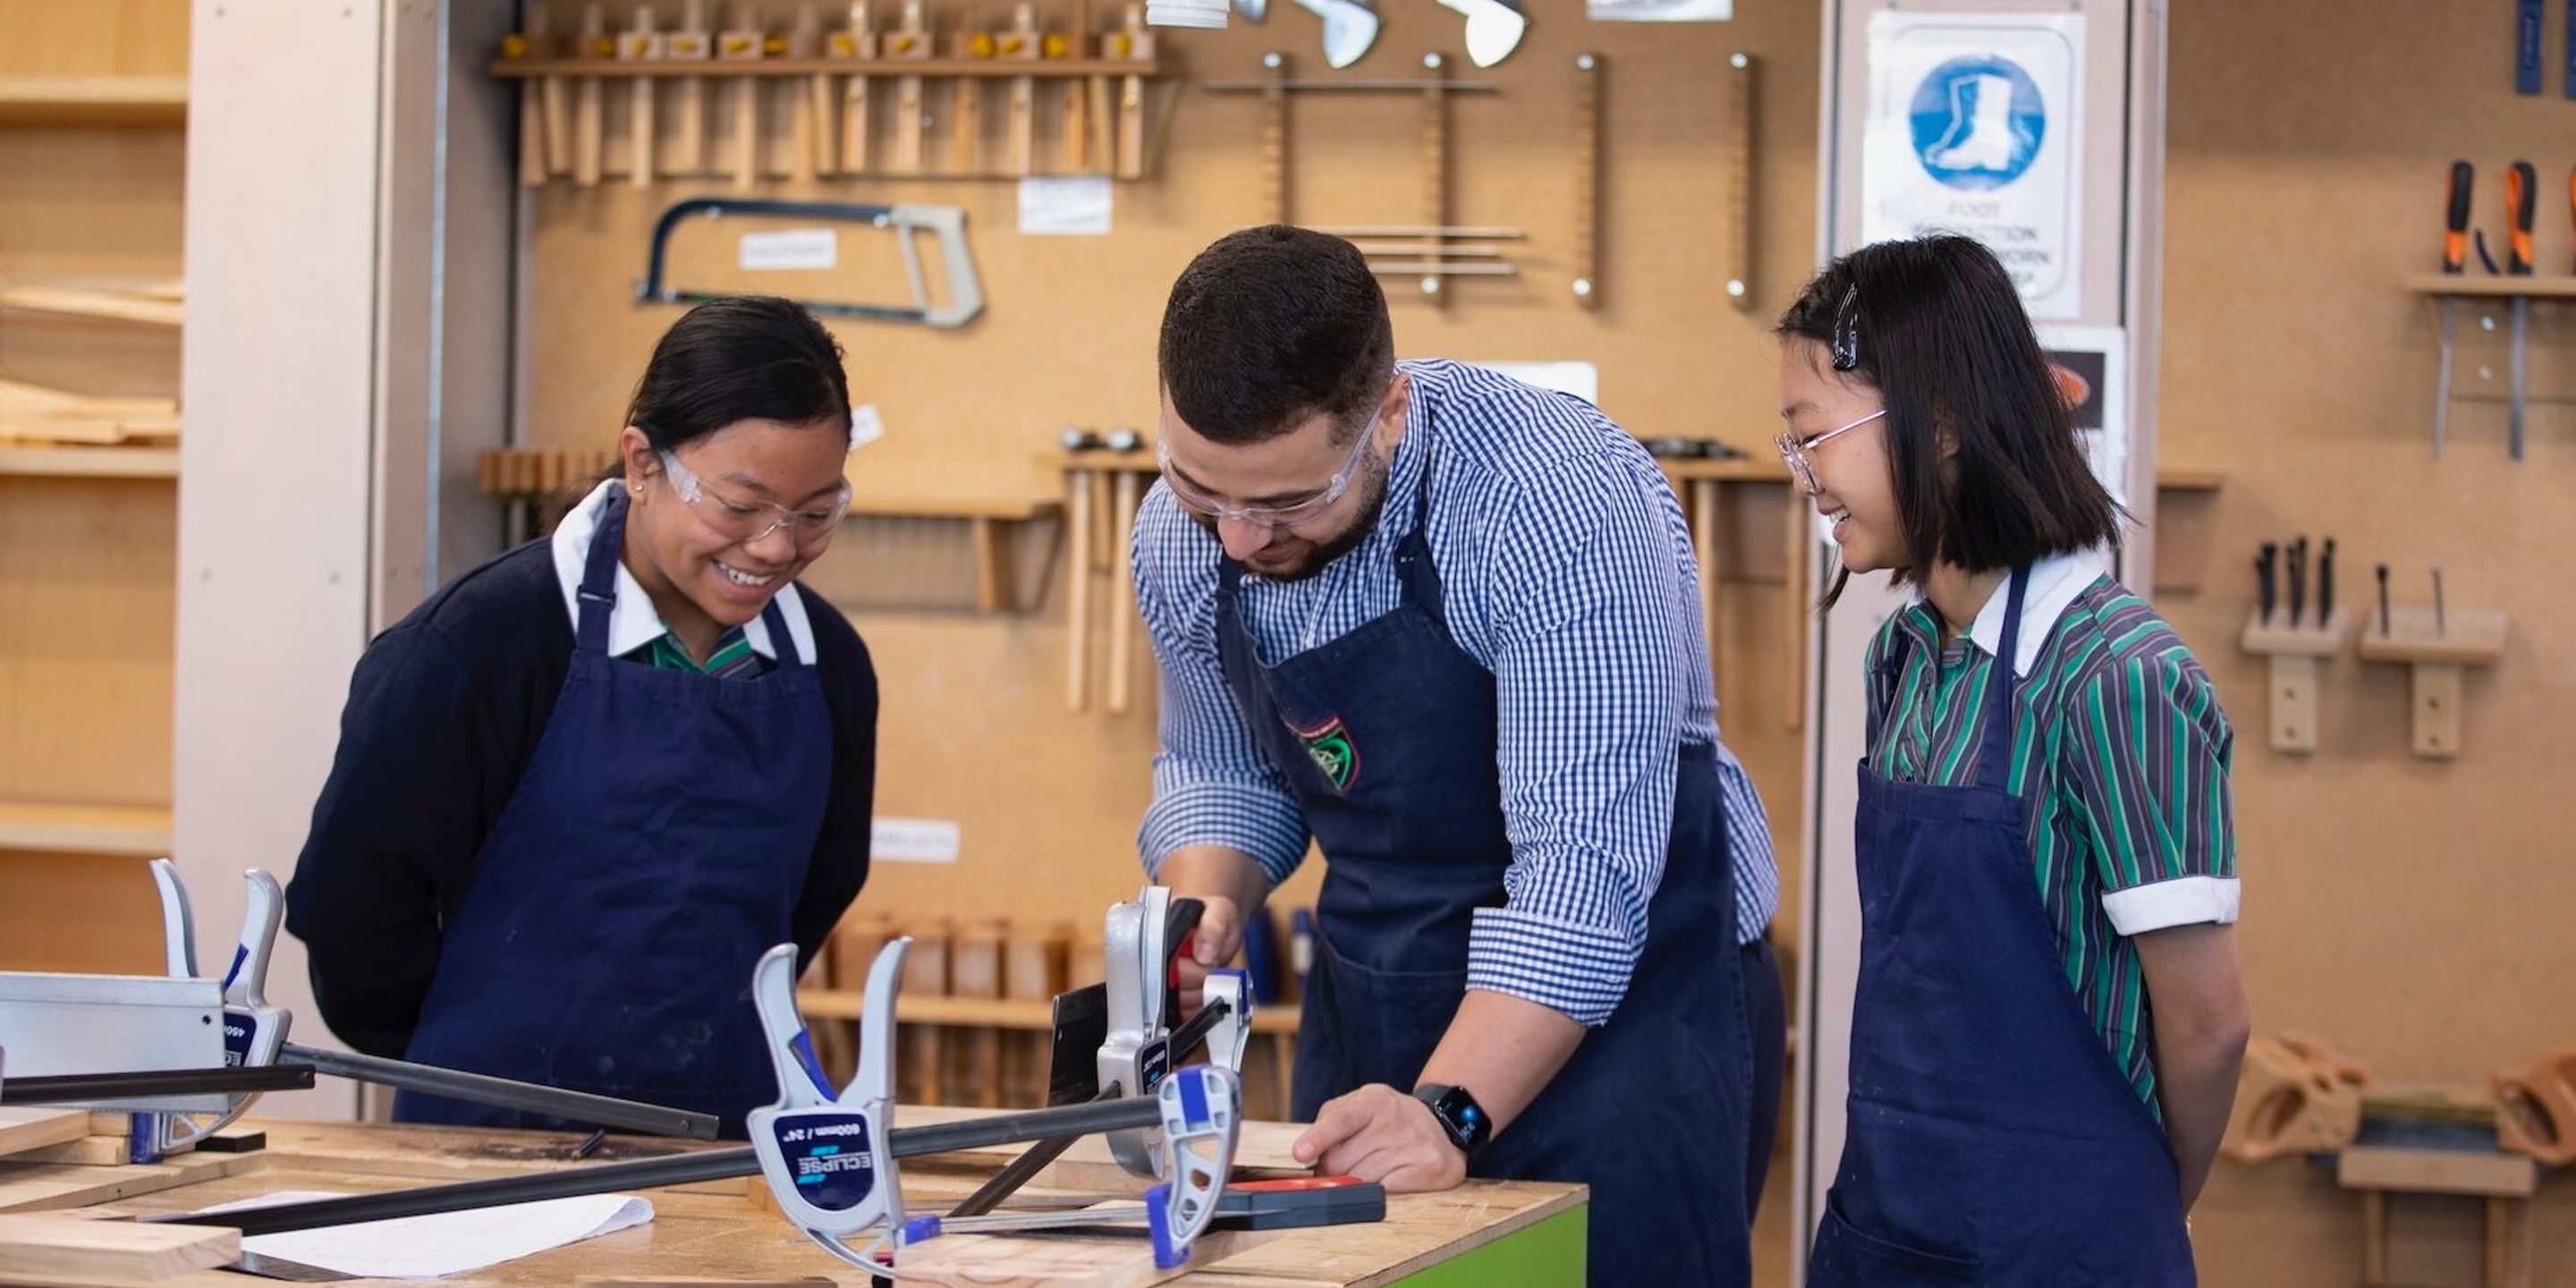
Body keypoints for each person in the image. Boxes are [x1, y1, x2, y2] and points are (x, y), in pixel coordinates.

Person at [1131, 225, 1780, 1284]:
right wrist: (1206, 906)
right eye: (1207, 491)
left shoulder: (1552, 502)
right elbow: (1224, 768)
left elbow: (1583, 870)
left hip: (1629, 1007)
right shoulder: (1181, 531)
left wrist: (1449, 1110)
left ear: (1388, 411)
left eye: (1290, 502)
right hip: (1381, 985)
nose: (1241, 538)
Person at [284, 296, 879, 1137]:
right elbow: (352, 913)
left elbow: (821, 885)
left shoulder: (830, 664)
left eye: (815, 513)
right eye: (739, 508)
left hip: (729, 1138)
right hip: (484, 1143)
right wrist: (473, 1053)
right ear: (642, 462)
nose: (777, 547)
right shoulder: (476, 648)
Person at [1779, 236, 2250, 1285]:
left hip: (2061, 1251)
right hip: (1887, 1229)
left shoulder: (2118, 678)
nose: (1804, 476)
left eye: (1816, 438)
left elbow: (2210, 1027)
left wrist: (2131, 1212)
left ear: (1940, 424)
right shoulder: (1905, 660)